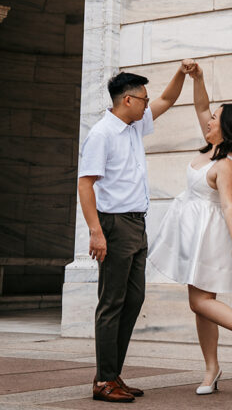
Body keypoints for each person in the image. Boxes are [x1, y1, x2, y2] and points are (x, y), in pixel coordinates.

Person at [148, 60, 232, 395]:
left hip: (209, 235)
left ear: (226, 127)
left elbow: (229, 206)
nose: (208, 120)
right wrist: (199, 77)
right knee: (202, 304)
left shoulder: (227, 163)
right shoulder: (213, 146)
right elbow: (202, 104)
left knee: (200, 302)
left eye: (215, 119)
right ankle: (211, 369)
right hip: (192, 232)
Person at [78, 65, 189, 403]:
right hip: (113, 225)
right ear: (127, 99)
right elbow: (85, 184)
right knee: (111, 302)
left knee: (133, 298)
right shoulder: (102, 134)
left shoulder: (133, 125)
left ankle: (110, 375)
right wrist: (96, 232)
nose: (147, 104)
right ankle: (104, 381)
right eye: (143, 99)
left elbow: (169, 98)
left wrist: (183, 74)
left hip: (136, 224)